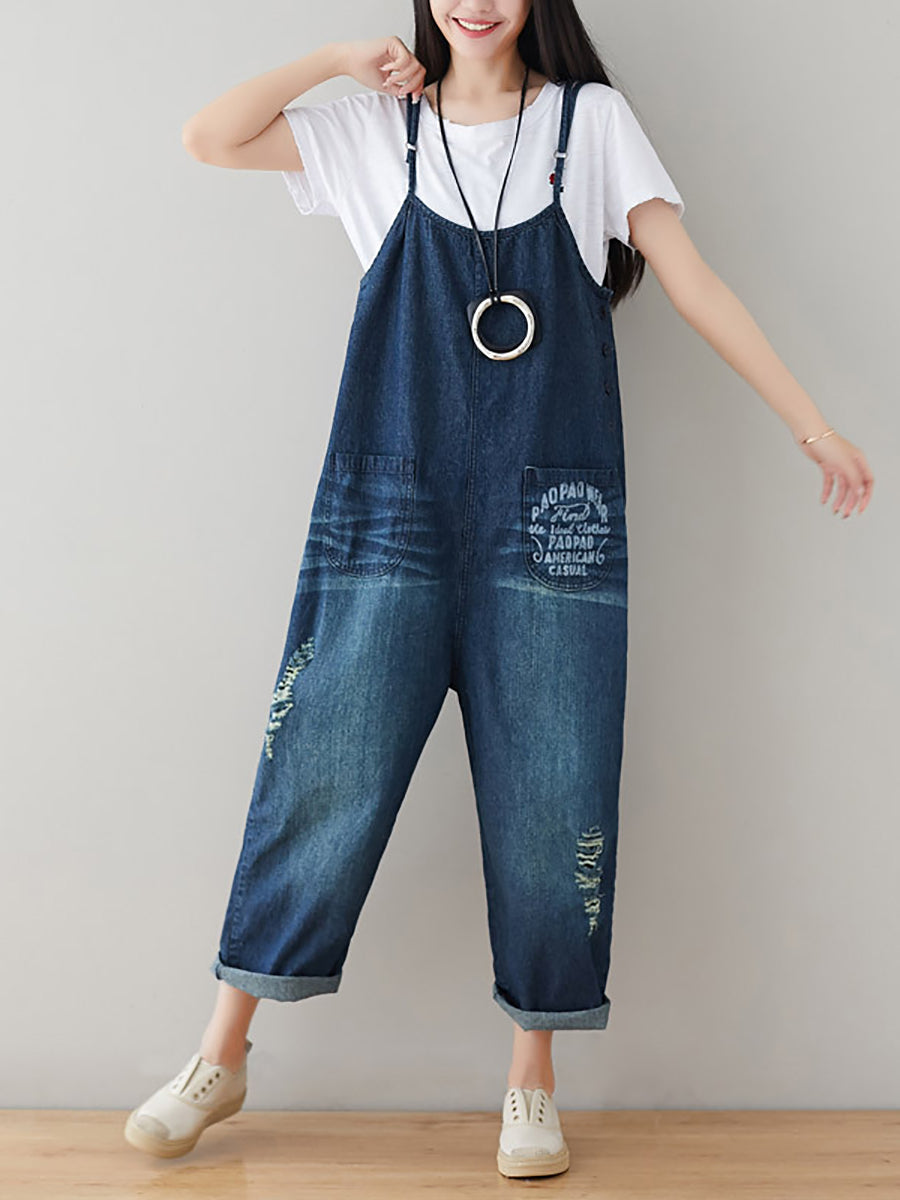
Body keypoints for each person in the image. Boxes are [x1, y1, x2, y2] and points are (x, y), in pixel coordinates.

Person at [125, 0, 874, 1179]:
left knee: (552, 791)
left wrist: (812, 425)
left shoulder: (590, 124)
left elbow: (689, 279)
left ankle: (531, 1079)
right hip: (389, 509)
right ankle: (223, 1054)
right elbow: (209, 137)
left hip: (552, 520)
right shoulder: (379, 130)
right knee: (320, 765)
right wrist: (338, 60)